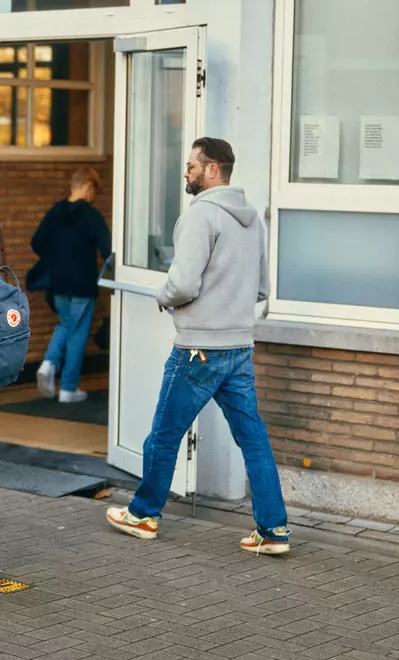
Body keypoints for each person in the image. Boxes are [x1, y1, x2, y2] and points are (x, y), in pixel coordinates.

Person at [105, 138, 291, 555]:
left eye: (191, 165)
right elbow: (261, 288)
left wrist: (163, 296)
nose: (185, 171)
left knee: (163, 437)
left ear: (212, 170)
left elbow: (184, 282)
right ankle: (273, 530)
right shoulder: (252, 220)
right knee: (254, 441)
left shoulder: (200, 216)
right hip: (239, 348)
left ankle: (143, 514)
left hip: (198, 351)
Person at [32, 167, 112, 403]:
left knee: (66, 323)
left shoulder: (54, 212)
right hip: (83, 283)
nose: (93, 196)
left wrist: (58, 254)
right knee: (77, 334)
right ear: (88, 187)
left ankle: (48, 363)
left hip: (58, 283)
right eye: (94, 191)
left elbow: (37, 242)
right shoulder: (92, 216)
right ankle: (67, 388)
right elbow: (108, 251)